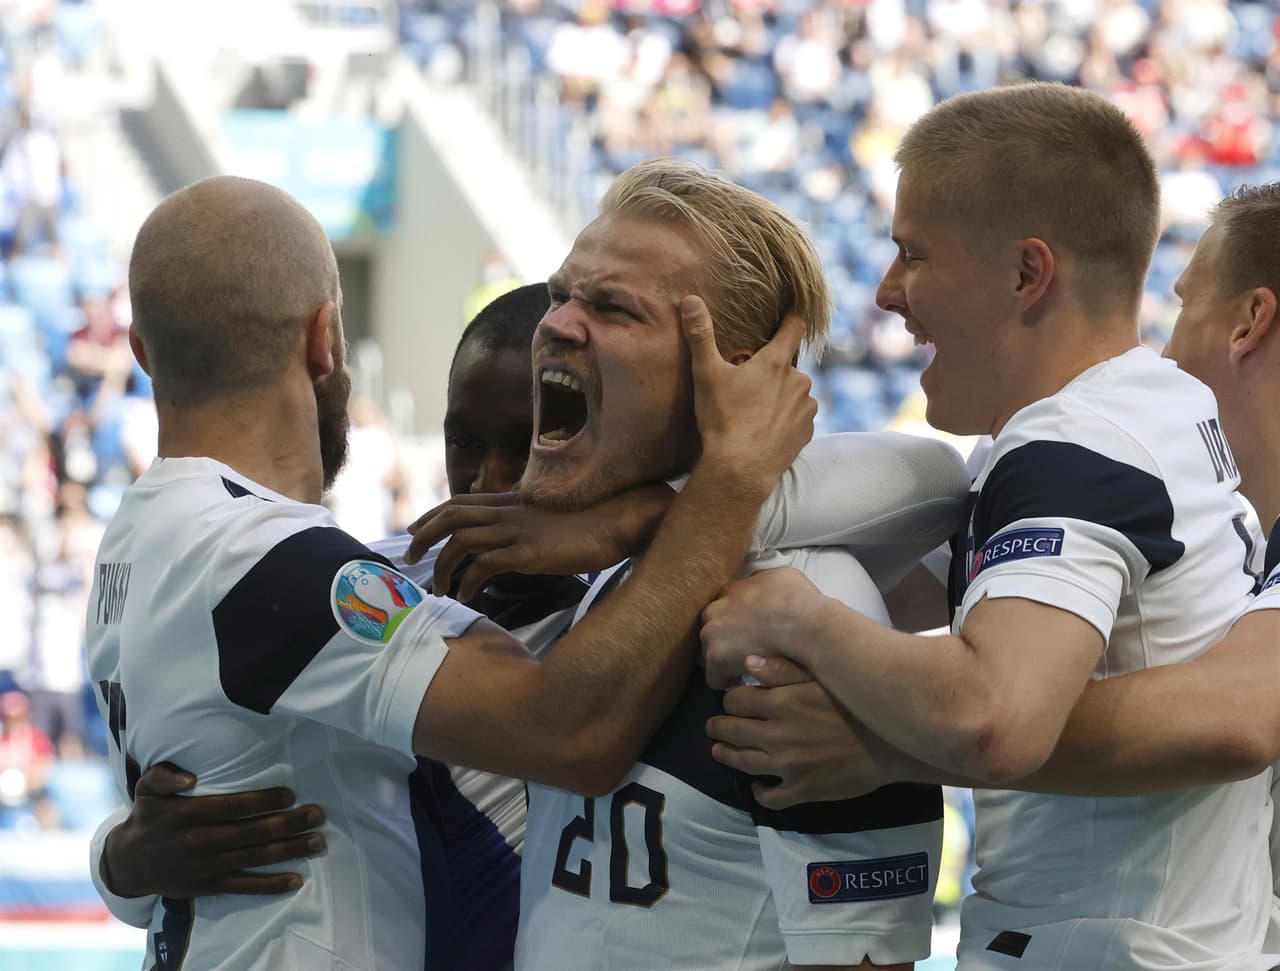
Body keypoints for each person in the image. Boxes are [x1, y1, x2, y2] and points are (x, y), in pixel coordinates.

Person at [88, 261, 969, 968]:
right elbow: (187, 763)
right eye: (465, 441)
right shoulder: (383, 582)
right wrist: (124, 861)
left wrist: (652, 513)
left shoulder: (718, 597)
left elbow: (940, 489)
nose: (492, 481)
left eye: (538, 437)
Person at [698, 84, 1274, 970]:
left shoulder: (1081, 441)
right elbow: (920, 582)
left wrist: (797, 619)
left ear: (1026, 274)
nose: (888, 290)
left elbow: (997, 716)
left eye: (913, 253)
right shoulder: (1143, 418)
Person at [439, 157, 951, 971]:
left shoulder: (808, 609)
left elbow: (863, 961)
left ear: (738, 376)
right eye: (561, 294)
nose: (558, 323)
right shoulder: (621, 576)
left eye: (612, 308)